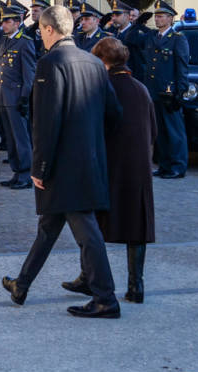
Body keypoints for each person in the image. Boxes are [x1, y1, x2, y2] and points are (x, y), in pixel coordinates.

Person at [2, 5, 123, 318]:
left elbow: (46, 122)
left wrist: (39, 168)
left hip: (63, 166)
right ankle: (22, 284)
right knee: (49, 226)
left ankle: (106, 298)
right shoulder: (94, 62)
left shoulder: (49, 63)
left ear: (47, 29)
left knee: (86, 231)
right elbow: (114, 114)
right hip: (89, 160)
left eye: (41, 31)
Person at [62, 38, 155, 303]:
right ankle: (136, 285)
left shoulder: (99, 88)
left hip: (106, 165)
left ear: (102, 62)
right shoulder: (140, 88)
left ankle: (89, 277)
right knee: (136, 226)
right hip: (138, 167)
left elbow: (90, 128)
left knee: (90, 223)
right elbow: (153, 130)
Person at [140, 0, 190, 179]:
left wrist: (180, 92)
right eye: (156, 16)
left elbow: (182, 68)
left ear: (170, 19)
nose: (157, 19)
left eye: (161, 16)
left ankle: (178, 166)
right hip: (153, 91)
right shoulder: (153, 37)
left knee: (174, 131)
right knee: (160, 131)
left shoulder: (177, 39)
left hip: (170, 92)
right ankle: (164, 164)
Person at [0, 0, 37, 190]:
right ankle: (16, 171)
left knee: (21, 138)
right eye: (3, 21)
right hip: (4, 96)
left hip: (16, 97)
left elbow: (29, 74)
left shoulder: (24, 43)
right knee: (11, 139)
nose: (3, 25)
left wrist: (24, 97)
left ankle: (26, 174)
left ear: (17, 22)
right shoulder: (4, 40)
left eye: (7, 21)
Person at [111, 0, 150, 80]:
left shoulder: (136, 35)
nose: (113, 18)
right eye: (113, 15)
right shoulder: (112, 33)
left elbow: (139, 65)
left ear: (127, 15)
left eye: (117, 15)